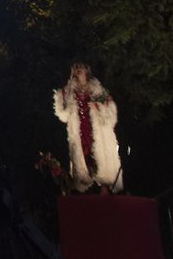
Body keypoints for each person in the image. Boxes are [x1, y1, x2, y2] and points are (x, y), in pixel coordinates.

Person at [53, 61, 123, 192]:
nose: (78, 69)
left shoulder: (97, 88)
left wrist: (97, 106)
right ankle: (90, 190)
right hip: (79, 130)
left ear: (87, 70)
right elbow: (63, 115)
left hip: (96, 128)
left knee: (101, 159)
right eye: (76, 67)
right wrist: (62, 95)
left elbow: (110, 109)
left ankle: (105, 189)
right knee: (83, 161)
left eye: (81, 67)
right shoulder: (69, 90)